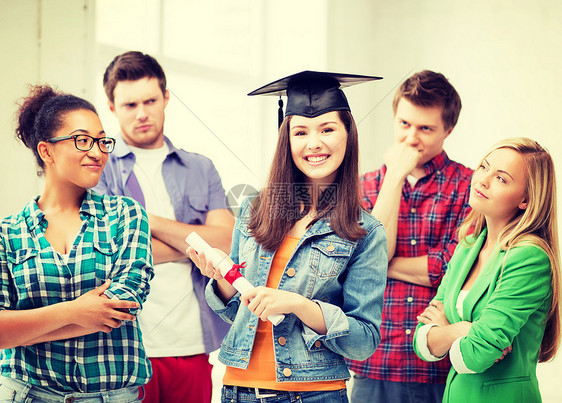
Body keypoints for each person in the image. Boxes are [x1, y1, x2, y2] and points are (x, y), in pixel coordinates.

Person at [187, 70, 388, 403]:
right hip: (238, 391)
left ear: (348, 135)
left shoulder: (365, 232)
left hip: (312, 395)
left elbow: (364, 341)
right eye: (300, 132)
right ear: (287, 139)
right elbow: (239, 311)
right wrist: (221, 280)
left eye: (328, 129)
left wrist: (300, 306)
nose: (314, 143)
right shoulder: (254, 208)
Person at [94, 51, 233, 403]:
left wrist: (144, 221)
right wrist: (195, 241)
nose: (142, 113)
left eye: (151, 100)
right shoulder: (97, 169)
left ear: (166, 97)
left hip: (192, 346)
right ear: (112, 107)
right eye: (130, 105)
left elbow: (228, 242)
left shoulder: (201, 169)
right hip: (125, 350)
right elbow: (106, 254)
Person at [0, 85, 153, 402]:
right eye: (82, 140)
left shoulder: (125, 215)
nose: (98, 152)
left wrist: (23, 330)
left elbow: (122, 307)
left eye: (102, 141)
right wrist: (77, 311)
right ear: (47, 151)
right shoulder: (8, 233)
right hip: (25, 394)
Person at [346, 70, 474, 403]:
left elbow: (452, 269)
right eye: (404, 124)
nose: (411, 139)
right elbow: (356, 267)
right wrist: (395, 178)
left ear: (449, 129)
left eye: (425, 128)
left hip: (437, 365)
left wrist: (377, 263)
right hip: (373, 361)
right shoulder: (364, 186)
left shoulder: (471, 187)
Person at [413, 137, 560, 402]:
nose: (482, 179)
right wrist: (464, 330)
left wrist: (447, 331)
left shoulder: (529, 257)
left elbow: (476, 356)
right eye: (484, 167)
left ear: (526, 199)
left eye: (501, 178)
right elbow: (422, 341)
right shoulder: (468, 245)